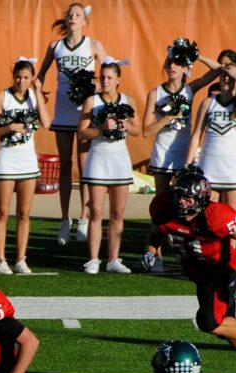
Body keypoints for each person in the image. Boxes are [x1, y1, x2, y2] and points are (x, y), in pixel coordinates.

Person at [144, 165, 236, 373]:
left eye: (187, 198)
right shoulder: (164, 209)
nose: (181, 202)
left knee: (209, 321)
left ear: (201, 199)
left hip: (223, 271)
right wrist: (150, 252)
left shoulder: (217, 216)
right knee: (224, 328)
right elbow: (156, 233)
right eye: (179, 196)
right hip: (201, 275)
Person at [37, 2, 108, 245]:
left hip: (85, 112)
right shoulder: (55, 46)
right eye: (70, 15)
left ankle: (84, 218)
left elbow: (109, 75)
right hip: (63, 112)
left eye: (77, 15)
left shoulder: (93, 45)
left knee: (84, 165)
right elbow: (40, 75)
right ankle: (65, 219)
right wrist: (39, 93)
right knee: (65, 165)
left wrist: (94, 87)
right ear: (66, 20)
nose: (73, 18)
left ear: (84, 21)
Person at [78, 60, 139, 274]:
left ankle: (113, 259)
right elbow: (82, 133)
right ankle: (93, 259)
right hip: (98, 160)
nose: (105, 81)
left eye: (109, 78)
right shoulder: (91, 101)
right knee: (96, 212)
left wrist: (125, 124)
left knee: (117, 213)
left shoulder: (127, 100)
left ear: (118, 80)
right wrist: (101, 128)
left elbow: (137, 130)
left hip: (120, 160)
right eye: (102, 77)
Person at [0, 58, 51, 275]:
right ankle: (0, 259)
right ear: (13, 76)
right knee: (2, 212)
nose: (21, 81)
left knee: (24, 213)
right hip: (6, 160)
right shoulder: (2, 96)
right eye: (18, 77)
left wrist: (38, 92)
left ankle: (20, 259)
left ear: (31, 78)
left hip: (27, 162)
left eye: (26, 77)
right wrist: (10, 127)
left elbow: (46, 123)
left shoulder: (34, 97)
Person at [142, 41, 220, 195]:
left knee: (183, 198)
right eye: (169, 63)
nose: (172, 66)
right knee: (162, 200)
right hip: (162, 152)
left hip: (184, 151)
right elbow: (146, 132)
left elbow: (218, 70)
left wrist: (195, 56)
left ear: (185, 68)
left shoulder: (190, 89)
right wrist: (167, 118)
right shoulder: (155, 93)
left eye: (178, 63)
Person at [187, 56, 236, 211]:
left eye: (231, 77)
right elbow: (196, 135)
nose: (227, 79)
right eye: (224, 76)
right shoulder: (208, 103)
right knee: (209, 214)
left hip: (233, 167)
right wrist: (188, 163)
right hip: (209, 166)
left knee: (230, 216)